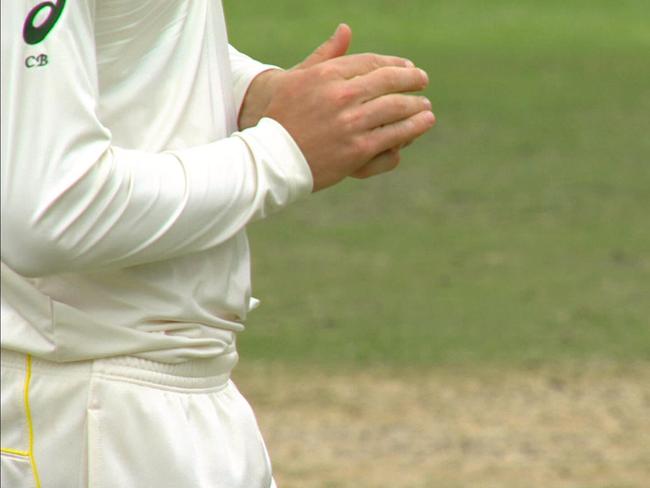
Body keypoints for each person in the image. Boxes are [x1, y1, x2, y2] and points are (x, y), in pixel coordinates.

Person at [0, 1, 435, 487]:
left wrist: (250, 94)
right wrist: (282, 152)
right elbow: (50, 210)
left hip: (168, 398)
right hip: (87, 421)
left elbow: (115, 39)